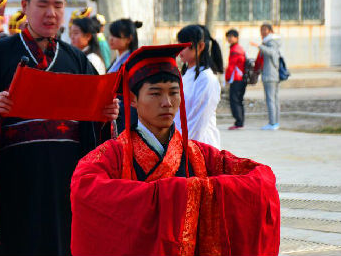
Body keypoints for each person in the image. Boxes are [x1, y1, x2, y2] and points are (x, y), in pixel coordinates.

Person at [0, 0, 118, 255]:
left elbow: (95, 126)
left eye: (58, 5)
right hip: (17, 179)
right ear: (24, 7)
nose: (51, 13)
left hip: (67, 177)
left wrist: (107, 116)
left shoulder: (77, 60)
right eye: (42, 4)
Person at [70, 43, 281, 256]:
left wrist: (202, 191)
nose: (167, 103)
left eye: (174, 92)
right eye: (155, 93)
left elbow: (260, 179)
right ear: (133, 99)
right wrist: (190, 191)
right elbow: (85, 187)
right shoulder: (111, 156)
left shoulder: (199, 154)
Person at [174, 25, 223, 149]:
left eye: (183, 44)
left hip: (200, 147)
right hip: (181, 143)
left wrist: (183, 148)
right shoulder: (185, 76)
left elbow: (198, 121)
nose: (179, 48)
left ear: (200, 46)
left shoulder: (206, 79)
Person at [107, 18, 141, 133]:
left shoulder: (132, 61)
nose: (111, 39)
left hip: (126, 112)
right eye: (111, 35)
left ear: (129, 39)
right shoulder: (117, 60)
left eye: (116, 36)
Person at [251, 23, 281, 130]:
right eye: (261, 30)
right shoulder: (271, 42)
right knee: (274, 100)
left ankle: (273, 123)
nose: (262, 32)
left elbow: (271, 53)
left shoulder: (271, 42)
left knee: (271, 100)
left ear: (270, 31)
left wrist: (259, 46)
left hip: (270, 75)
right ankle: (275, 122)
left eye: (265, 30)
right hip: (272, 75)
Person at [225, 29, 247, 130]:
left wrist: (227, 78)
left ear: (237, 38)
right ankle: (240, 122)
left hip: (237, 78)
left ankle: (238, 123)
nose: (229, 38)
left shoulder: (235, 50)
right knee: (239, 100)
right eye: (228, 36)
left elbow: (231, 66)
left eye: (232, 36)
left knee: (235, 100)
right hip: (242, 78)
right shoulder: (239, 48)